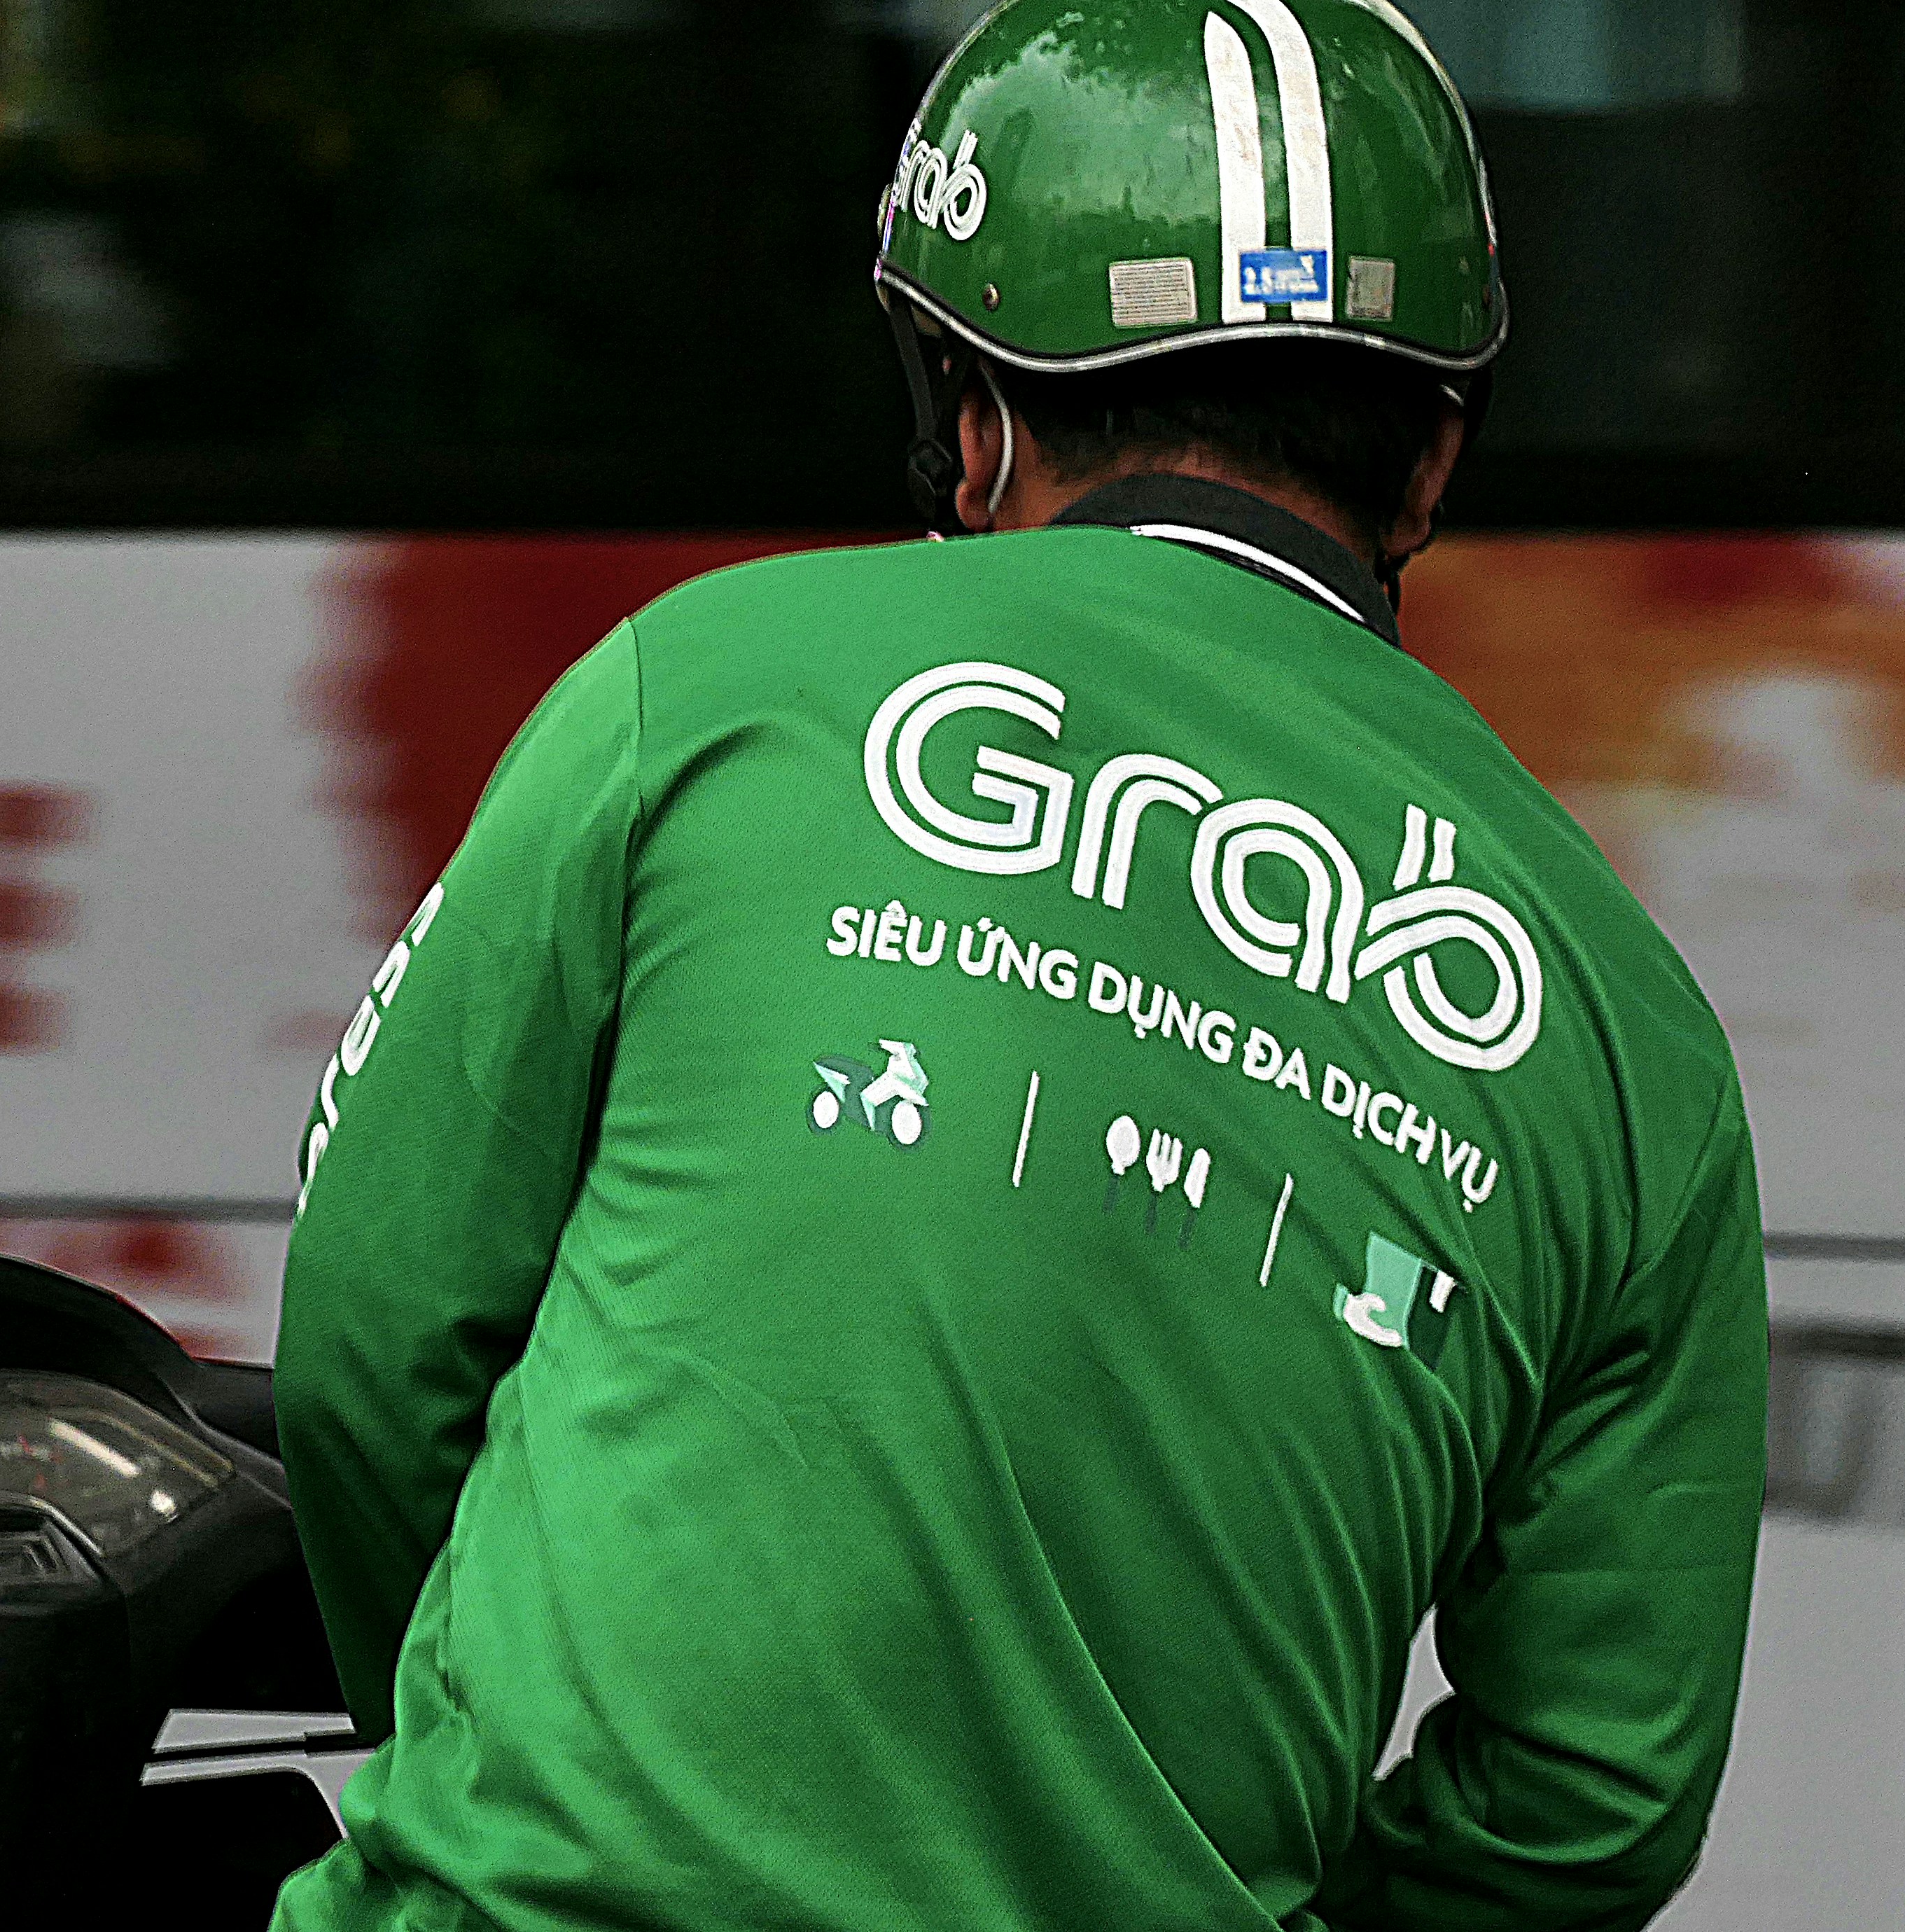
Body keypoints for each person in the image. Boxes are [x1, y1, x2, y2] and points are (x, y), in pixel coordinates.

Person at [269, 3, 1768, 1927]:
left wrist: (516, 1764)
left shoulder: (703, 686)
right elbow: (1594, 1795)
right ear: (1430, 471)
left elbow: (376, 1345)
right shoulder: (1636, 1043)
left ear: (973, 424)